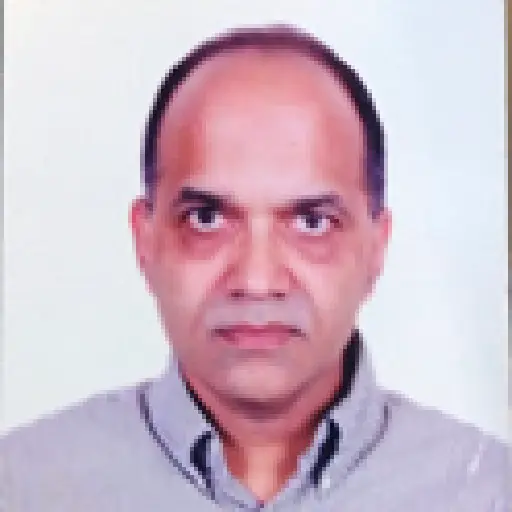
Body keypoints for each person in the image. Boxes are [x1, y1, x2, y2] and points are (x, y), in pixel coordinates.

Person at [2, 25, 509, 512]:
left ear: (376, 248)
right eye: (206, 219)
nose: (257, 281)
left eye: (312, 222)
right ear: (145, 240)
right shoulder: (24, 488)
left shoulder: (489, 491)